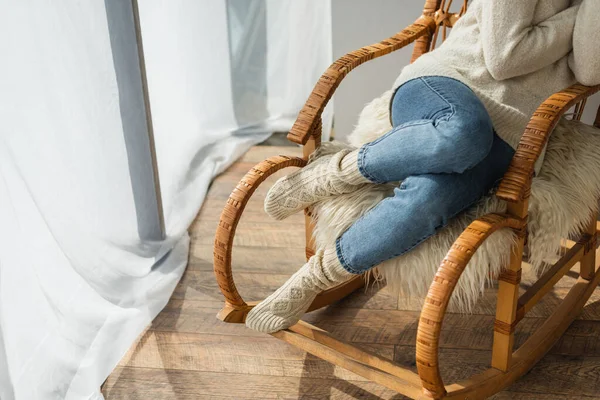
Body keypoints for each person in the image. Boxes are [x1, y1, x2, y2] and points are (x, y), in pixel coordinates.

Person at [245, 0, 600, 333]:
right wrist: (569, 22)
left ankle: (315, 278)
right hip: (445, 87)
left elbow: (590, 68)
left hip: (509, 134)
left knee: (433, 197)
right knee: (463, 134)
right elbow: (504, 58)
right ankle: (334, 173)